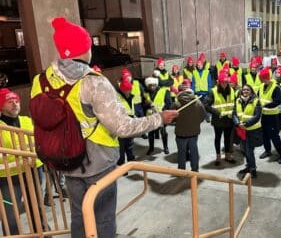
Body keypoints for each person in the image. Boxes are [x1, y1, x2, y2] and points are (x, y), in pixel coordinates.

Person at [30, 17, 179, 238]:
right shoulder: (93, 83)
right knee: (103, 218)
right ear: (84, 49)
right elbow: (122, 126)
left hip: (64, 159)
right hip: (96, 163)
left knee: (79, 214)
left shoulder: (40, 80)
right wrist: (159, 119)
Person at [0, 88, 45, 235]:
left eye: (17, 101)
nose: (15, 104)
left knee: (36, 208)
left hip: (33, 171)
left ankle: (42, 233)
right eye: (9, 101)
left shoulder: (27, 121)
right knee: (10, 214)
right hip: (8, 176)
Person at [171, 85, 206, 172]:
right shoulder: (198, 103)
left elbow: (171, 118)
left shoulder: (176, 104)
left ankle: (181, 170)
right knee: (194, 151)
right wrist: (195, 123)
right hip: (194, 132)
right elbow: (203, 116)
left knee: (181, 152)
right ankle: (195, 170)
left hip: (180, 133)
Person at [204, 71, 236, 165]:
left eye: (226, 82)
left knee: (227, 138)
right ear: (219, 82)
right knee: (217, 138)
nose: (224, 84)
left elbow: (234, 104)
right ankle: (218, 157)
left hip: (229, 119)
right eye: (222, 82)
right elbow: (206, 105)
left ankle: (227, 155)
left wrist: (234, 113)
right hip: (218, 119)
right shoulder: (213, 91)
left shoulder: (232, 90)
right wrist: (217, 113)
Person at [234, 84, 263, 178]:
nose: (245, 91)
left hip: (252, 130)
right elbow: (234, 113)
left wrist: (245, 124)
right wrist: (238, 123)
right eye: (244, 90)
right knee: (245, 150)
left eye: (247, 90)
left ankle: (253, 169)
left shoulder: (256, 101)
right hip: (242, 130)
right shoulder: (238, 100)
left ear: (251, 91)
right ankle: (249, 166)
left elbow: (257, 116)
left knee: (249, 150)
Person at [258, 67, 281, 164]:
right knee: (264, 135)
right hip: (264, 116)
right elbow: (258, 98)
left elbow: (278, 101)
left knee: (274, 136)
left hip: (273, 116)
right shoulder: (261, 86)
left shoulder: (275, 87)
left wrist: (265, 105)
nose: (259, 79)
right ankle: (268, 151)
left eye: (261, 78)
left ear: (265, 78)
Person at [143, 76, 172, 155]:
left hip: (161, 116)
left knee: (163, 132)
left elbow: (169, 103)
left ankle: (166, 147)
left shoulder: (164, 91)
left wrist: (163, 111)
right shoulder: (145, 93)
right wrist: (147, 105)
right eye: (150, 85)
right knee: (151, 133)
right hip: (150, 117)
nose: (152, 87)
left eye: (153, 85)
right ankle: (151, 148)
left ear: (156, 84)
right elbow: (143, 106)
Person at [116, 79, 136, 165]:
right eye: (127, 90)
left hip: (130, 124)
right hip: (120, 126)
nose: (129, 91)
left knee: (130, 145)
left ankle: (131, 162)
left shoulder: (131, 96)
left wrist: (134, 116)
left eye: (130, 89)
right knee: (121, 147)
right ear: (122, 89)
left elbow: (131, 110)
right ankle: (122, 166)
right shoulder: (116, 97)